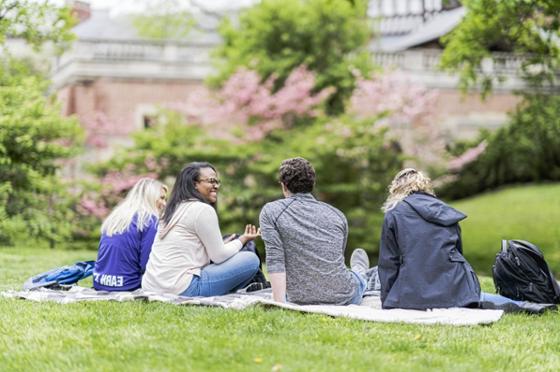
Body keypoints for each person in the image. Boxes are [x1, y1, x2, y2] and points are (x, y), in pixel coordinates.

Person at [378, 168, 557, 314]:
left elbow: (389, 262)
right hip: (455, 287)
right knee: (484, 299)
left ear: (396, 189)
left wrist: (388, 300)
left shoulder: (394, 213)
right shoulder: (445, 211)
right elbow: (457, 252)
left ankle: (530, 307)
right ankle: (532, 307)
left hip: (413, 293)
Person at [259, 157, 368, 305]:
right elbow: (336, 257)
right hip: (344, 297)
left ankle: (359, 270)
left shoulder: (271, 211)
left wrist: (279, 303)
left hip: (299, 298)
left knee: (357, 276)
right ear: (313, 184)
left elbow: (275, 258)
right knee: (357, 278)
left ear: (284, 186)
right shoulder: (337, 215)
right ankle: (359, 270)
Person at [142, 162, 260, 296]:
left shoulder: (172, 209)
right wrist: (242, 240)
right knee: (251, 260)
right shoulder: (202, 209)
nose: (216, 185)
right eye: (211, 181)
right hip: (181, 288)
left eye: (217, 181)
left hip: (152, 286)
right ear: (194, 184)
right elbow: (218, 256)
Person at [93, 178, 168, 291]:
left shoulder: (117, 216)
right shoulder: (150, 220)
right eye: (161, 198)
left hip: (100, 282)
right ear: (150, 196)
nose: (164, 203)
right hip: (127, 285)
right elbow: (147, 264)